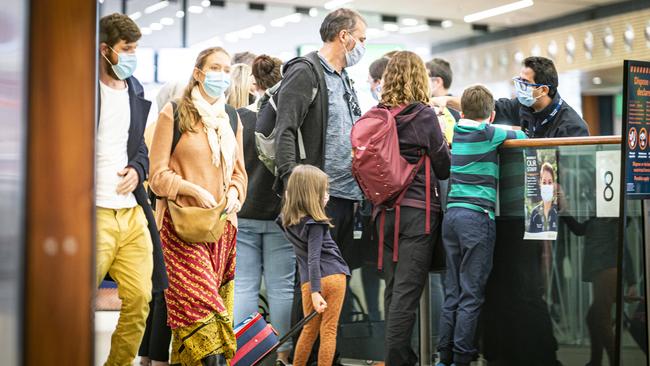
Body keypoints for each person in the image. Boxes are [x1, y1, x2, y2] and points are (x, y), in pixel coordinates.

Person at [149, 46, 247, 366]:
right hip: (180, 229)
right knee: (203, 310)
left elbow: (239, 173)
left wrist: (234, 192)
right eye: (215, 67)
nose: (222, 75)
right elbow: (157, 177)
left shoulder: (231, 118)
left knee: (202, 314)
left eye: (226, 68)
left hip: (221, 228)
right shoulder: (175, 113)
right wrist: (190, 188)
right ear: (198, 73)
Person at [96, 13, 168, 366]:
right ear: (105, 49)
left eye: (136, 49)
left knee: (141, 299)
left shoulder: (136, 88)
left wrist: (138, 171)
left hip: (131, 211)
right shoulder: (83, 89)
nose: (132, 56)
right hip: (92, 212)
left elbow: (139, 145)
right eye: (127, 49)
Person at [436, 85, 526, 366]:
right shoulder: (488, 133)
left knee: (452, 292)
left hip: (451, 218)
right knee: (471, 295)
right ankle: (463, 358)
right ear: (492, 115)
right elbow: (522, 135)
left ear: (462, 113)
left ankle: (444, 356)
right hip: (476, 219)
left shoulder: (458, 132)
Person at [275, 7, 367, 267]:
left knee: (337, 280)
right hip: (317, 197)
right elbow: (286, 129)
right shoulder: (306, 71)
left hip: (346, 196)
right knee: (312, 282)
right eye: (361, 39)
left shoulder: (344, 78)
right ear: (344, 36)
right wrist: (294, 183)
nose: (362, 46)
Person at [376, 51, 451, 366]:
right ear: (420, 78)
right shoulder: (423, 115)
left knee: (394, 292)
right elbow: (443, 167)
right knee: (407, 297)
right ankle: (399, 361)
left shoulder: (379, 113)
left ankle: (401, 357)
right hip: (418, 214)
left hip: (384, 214)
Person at [233, 54, 296, 366]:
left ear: (253, 84)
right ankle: (282, 353)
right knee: (282, 287)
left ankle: (247, 352)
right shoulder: (288, 119)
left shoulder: (239, 118)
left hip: (243, 212)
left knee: (243, 286)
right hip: (279, 214)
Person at [278, 165, 351, 366]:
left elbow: (306, 259)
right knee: (328, 330)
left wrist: (312, 289)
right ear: (312, 194)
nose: (327, 195)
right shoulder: (316, 223)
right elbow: (314, 257)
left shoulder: (286, 221)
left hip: (308, 282)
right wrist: (316, 292)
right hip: (332, 276)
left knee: (309, 330)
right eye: (324, 191)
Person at [431, 56, 589, 138]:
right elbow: (480, 106)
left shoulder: (572, 126)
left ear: (543, 90)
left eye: (525, 82)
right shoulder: (522, 106)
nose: (519, 87)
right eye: (519, 80)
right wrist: (448, 100)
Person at [139, 81, 184, 366]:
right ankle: (157, 356)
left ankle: (147, 354)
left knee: (157, 290)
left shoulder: (150, 126)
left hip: (149, 211)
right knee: (165, 292)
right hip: (164, 213)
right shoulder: (167, 127)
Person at [528, 163, 559, 233]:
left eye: (550, 182)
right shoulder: (534, 213)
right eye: (544, 183)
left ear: (553, 185)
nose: (547, 186)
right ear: (540, 184)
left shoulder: (558, 211)